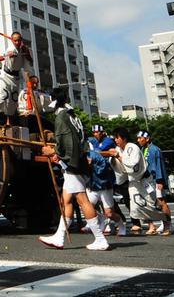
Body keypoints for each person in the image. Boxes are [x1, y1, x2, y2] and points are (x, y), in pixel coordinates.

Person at [38, 86, 110, 251]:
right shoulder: (72, 116)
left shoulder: (61, 118)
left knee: (82, 200)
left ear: (54, 101)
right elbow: (78, 142)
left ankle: (100, 238)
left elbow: (68, 144)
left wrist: (53, 152)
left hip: (74, 165)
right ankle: (59, 236)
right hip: (79, 162)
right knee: (67, 200)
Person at [137, 131, 172, 235]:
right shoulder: (142, 149)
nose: (138, 140)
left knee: (161, 202)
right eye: (138, 138)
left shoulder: (155, 149)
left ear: (147, 139)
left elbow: (159, 165)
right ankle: (151, 226)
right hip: (145, 180)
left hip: (156, 179)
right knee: (146, 203)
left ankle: (167, 225)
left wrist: (160, 181)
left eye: (140, 138)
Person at [0, 32, 31, 126]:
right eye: (15, 40)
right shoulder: (11, 49)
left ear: (21, 40)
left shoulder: (24, 50)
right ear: (12, 40)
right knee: (3, 96)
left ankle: (8, 121)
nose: (17, 42)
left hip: (16, 77)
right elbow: (5, 56)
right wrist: (9, 55)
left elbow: (28, 63)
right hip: (6, 75)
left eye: (19, 40)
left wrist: (27, 54)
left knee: (13, 99)